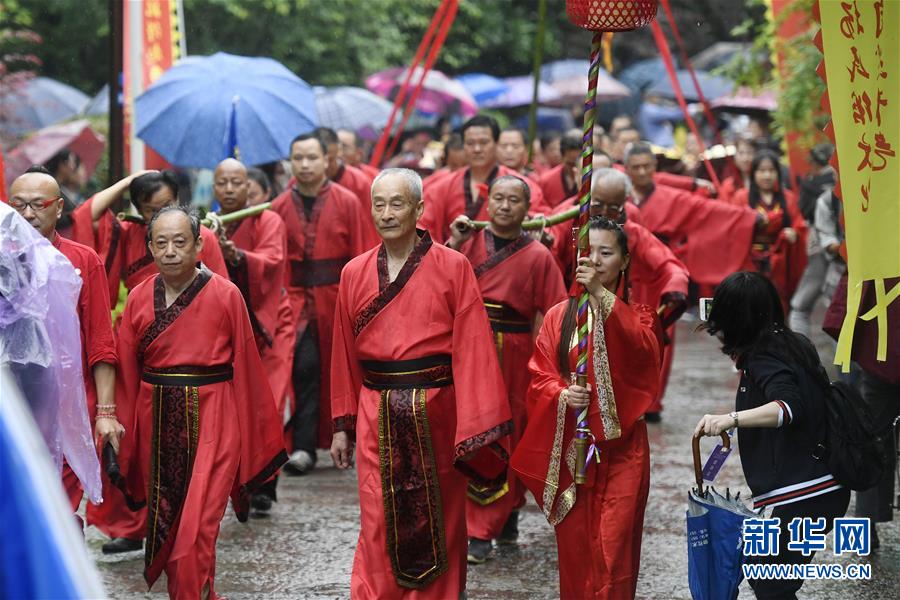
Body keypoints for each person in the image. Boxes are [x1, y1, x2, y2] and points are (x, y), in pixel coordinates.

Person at [330, 168, 512, 598]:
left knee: (442, 514)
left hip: (438, 410)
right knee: (377, 515)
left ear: (418, 209)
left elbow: (473, 347)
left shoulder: (453, 266)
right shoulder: (354, 272)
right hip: (376, 411)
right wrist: (342, 424)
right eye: (379, 204)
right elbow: (342, 353)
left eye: (397, 203)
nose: (387, 213)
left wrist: (476, 425)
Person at [115, 205, 286, 599]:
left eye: (180, 242)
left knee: (195, 533)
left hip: (215, 418)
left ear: (198, 246)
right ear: (151, 249)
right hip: (156, 417)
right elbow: (126, 373)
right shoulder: (140, 298)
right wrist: (118, 426)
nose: (171, 251)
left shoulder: (226, 296)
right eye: (161, 243)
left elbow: (247, 370)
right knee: (172, 530)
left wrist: (251, 436)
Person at [512, 216, 662, 599]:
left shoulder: (640, 316)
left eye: (606, 253)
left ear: (625, 261)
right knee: (577, 553)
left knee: (614, 551)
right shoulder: (561, 317)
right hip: (573, 452)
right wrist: (562, 394)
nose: (594, 260)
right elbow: (539, 374)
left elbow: (644, 351)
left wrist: (599, 294)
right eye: (587, 252)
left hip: (624, 452)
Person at [695, 271, 850, 599]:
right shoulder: (787, 343)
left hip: (810, 492)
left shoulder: (764, 356)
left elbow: (787, 408)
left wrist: (730, 419)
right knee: (766, 571)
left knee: (770, 581)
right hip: (814, 489)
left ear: (737, 319)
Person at [447, 175, 567, 563]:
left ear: (527, 207)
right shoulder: (466, 243)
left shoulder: (538, 256)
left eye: (513, 200)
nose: (503, 206)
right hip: (467, 347)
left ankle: (490, 524)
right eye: (497, 198)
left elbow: (555, 313)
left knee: (507, 430)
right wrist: (452, 242)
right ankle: (488, 520)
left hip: (513, 354)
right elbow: (437, 282)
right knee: (470, 430)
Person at [7, 169, 117, 518]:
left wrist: (105, 412)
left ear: (58, 209)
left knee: (58, 510)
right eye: (18, 206)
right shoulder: (2, 260)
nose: (27, 214)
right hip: (11, 404)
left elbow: (100, 339)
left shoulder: (82, 261)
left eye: (38, 205)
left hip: (68, 405)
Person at [271, 133, 379, 475]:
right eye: (298, 158)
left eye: (311, 158)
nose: (304, 165)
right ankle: (303, 447)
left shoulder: (347, 201)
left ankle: (347, 437)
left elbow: (363, 252)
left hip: (336, 297)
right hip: (297, 298)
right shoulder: (278, 207)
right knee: (303, 369)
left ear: (326, 161)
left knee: (343, 371)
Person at [548, 169, 689, 422]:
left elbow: (668, 264)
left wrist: (674, 287)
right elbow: (548, 244)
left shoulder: (631, 232)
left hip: (615, 310)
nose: (603, 213)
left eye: (613, 208)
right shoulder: (571, 223)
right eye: (597, 205)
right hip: (572, 308)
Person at [213, 158, 293, 512]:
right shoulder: (207, 224)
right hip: (230, 326)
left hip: (270, 321)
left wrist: (238, 255)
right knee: (236, 408)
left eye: (236, 182)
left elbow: (273, 262)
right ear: (213, 187)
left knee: (270, 404)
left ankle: (265, 483)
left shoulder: (268, 219)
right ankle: (241, 482)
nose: (230, 189)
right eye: (223, 183)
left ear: (249, 186)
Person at [79, 170, 230, 306]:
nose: (161, 215)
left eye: (167, 205)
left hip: (196, 323)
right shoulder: (128, 233)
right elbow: (87, 215)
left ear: (177, 199)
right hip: (140, 324)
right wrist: (129, 181)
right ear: (139, 210)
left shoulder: (202, 235)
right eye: (151, 210)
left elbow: (223, 291)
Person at [624, 142, 758, 291]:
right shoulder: (618, 196)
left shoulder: (671, 196)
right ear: (626, 169)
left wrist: (748, 218)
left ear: (654, 165)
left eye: (646, 166)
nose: (642, 172)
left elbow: (707, 209)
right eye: (636, 167)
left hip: (662, 266)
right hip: (626, 267)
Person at [420, 115, 548, 243]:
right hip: (452, 261)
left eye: (484, 142)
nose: (477, 149)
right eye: (470, 143)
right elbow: (423, 229)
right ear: (463, 145)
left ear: (497, 143)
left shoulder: (522, 186)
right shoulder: (441, 187)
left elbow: (544, 225)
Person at [730, 151, 807, 311]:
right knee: (751, 304)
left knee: (778, 306)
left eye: (771, 171)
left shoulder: (789, 197)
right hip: (750, 261)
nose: (767, 176)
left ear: (778, 173)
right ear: (753, 173)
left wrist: (794, 234)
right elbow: (733, 228)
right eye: (762, 171)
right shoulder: (741, 197)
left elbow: (799, 225)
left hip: (780, 262)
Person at [537, 131, 582, 210]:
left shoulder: (593, 179)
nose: (574, 169)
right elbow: (540, 207)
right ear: (562, 157)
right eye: (570, 164)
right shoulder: (546, 180)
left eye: (577, 165)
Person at [718, 136, 755, 205]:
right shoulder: (728, 185)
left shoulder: (763, 183)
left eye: (749, 153)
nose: (745, 158)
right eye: (741, 153)